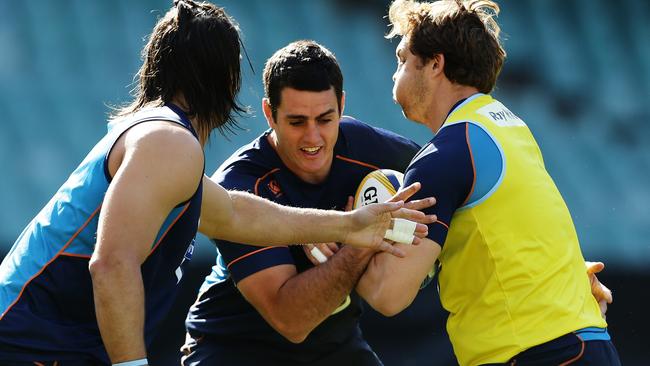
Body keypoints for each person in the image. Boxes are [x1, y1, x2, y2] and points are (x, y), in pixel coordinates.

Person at [0, 2, 426, 365]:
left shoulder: (159, 139)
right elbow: (111, 264)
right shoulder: (171, 141)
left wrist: (351, 225)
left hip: (41, 337)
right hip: (32, 339)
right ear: (226, 81)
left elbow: (239, 213)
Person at [356, 0, 621, 365]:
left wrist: (347, 239)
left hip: (538, 354)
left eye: (402, 59)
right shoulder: (508, 125)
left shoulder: (444, 155)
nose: (394, 72)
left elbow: (388, 294)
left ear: (436, 64)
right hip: (581, 346)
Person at [180, 40, 435, 366]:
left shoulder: (362, 145)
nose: (313, 138)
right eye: (297, 122)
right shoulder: (240, 186)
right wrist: (359, 241)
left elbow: (440, 173)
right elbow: (291, 321)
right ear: (269, 114)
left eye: (325, 120)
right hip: (235, 348)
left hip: (333, 343)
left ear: (341, 107)